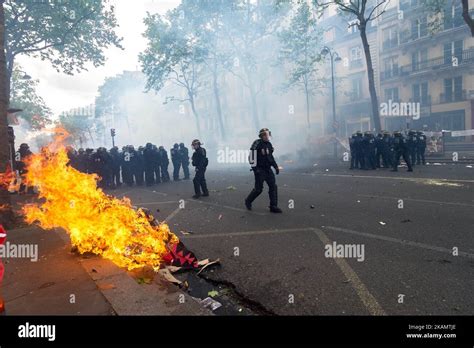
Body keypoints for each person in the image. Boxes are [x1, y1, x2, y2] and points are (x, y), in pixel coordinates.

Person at [244, 128, 282, 213]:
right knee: (258, 189)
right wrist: (255, 169)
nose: (266, 136)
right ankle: (248, 201)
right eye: (264, 135)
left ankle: (273, 206)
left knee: (273, 187)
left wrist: (276, 167)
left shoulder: (269, 145)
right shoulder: (257, 143)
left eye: (268, 134)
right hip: (260, 170)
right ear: (261, 136)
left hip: (268, 169)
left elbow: (270, 157)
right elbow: (251, 158)